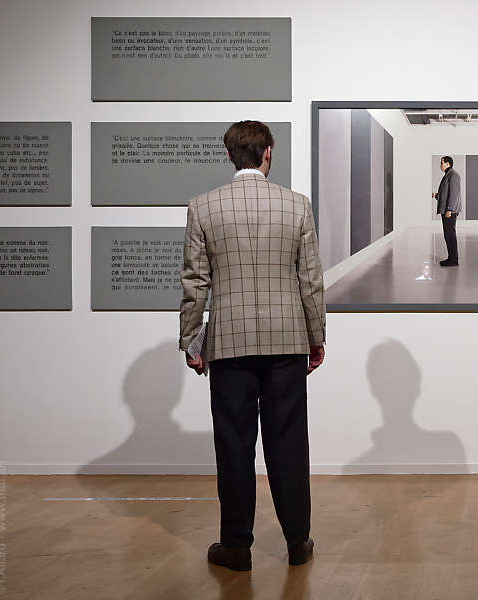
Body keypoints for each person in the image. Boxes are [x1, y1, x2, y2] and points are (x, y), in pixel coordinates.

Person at [178, 120, 326, 572]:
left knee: (234, 446)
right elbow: (311, 281)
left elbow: (194, 282)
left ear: (229, 156)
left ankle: (237, 547)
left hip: (229, 344)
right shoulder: (296, 206)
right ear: (267, 154)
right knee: (288, 443)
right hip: (286, 342)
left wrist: (190, 340)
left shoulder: (203, 207)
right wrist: (316, 338)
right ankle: (298, 542)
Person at [431, 156, 461, 267]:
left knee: (450, 235)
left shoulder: (454, 175)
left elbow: (454, 194)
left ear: (448, 164)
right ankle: (451, 258)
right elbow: (446, 193)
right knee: (448, 235)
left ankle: (453, 260)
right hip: (447, 210)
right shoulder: (448, 175)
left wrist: (450, 209)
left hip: (450, 211)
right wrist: (437, 195)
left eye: (442, 163)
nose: (440, 165)